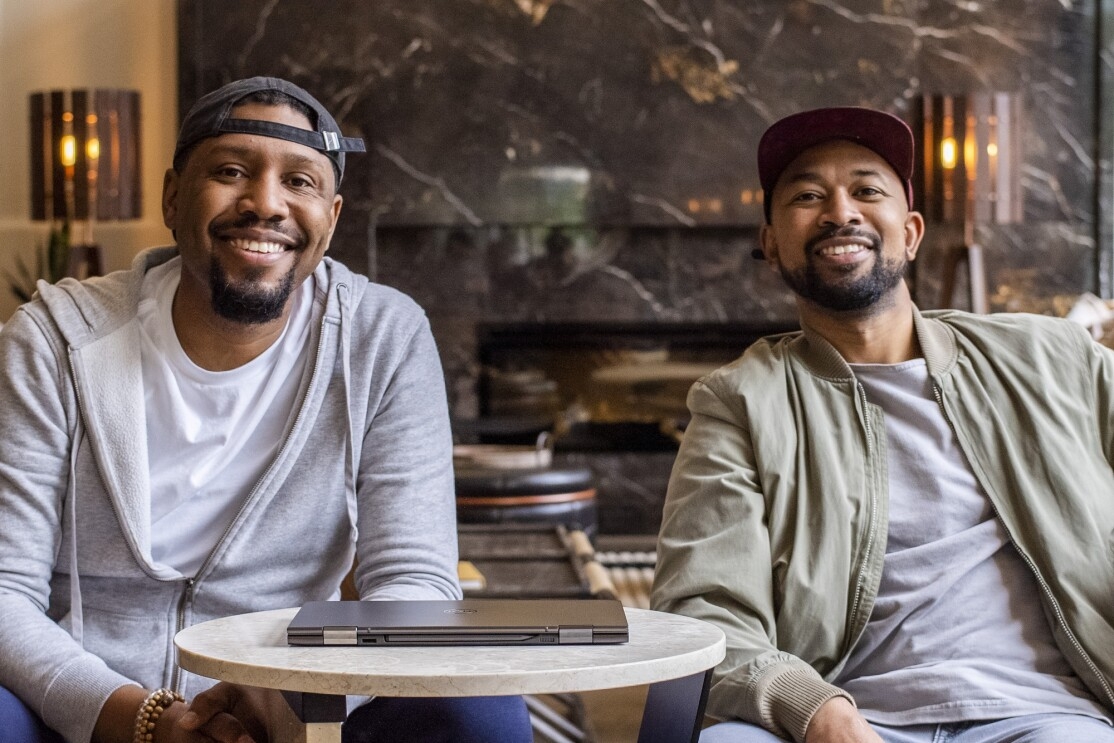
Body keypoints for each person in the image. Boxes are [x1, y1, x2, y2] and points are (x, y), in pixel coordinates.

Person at [0, 76, 531, 743]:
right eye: (230, 171)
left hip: (303, 696)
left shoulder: (383, 339)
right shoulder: (53, 339)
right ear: (172, 197)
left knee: (481, 711)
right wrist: (142, 718)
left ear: (331, 220)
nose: (265, 203)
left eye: (301, 182)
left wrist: (292, 693)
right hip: (85, 706)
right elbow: (3, 589)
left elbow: (415, 588)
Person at [651, 106, 1114, 743]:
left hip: (1042, 715)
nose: (840, 211)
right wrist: (818, 713)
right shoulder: (739, 402)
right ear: (770, 243)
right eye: (808, 196)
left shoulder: (1051, 359)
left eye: (868, 190)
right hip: (839, 716)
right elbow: (702, 612)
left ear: (912, 231)